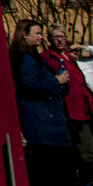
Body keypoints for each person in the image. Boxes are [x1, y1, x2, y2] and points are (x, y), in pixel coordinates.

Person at [10, 20, 73, 184]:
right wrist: (56, 81)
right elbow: (28, 86)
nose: (41, 37)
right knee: (52, 173)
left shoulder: (35, 58)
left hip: (51, 123)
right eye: (37, 33)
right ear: (25, 35)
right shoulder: (26, 60)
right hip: (43, 125)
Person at [42, 24, 93, 180]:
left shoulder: (69, 57)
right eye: (55, 37)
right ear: (49, 39)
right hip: (71, 112)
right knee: (87, 151)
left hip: (85, 109)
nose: (59, 40)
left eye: (62, 36)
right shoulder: (47, 58)